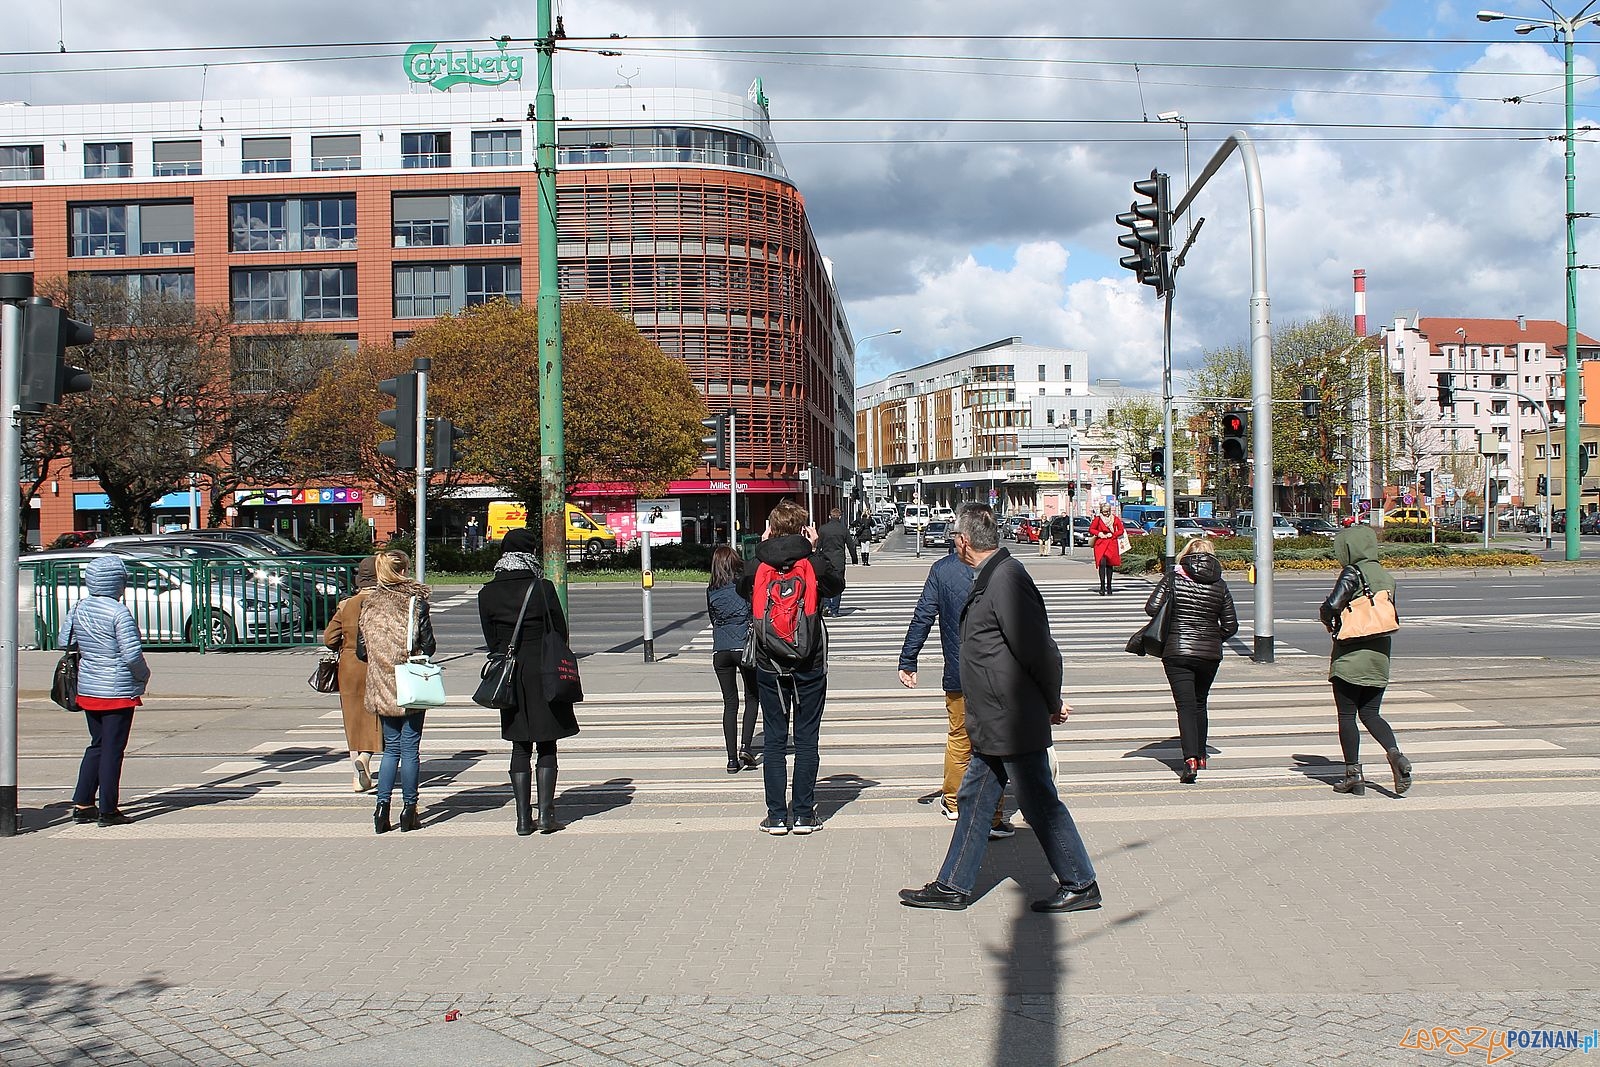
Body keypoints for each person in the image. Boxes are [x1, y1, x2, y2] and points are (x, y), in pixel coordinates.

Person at [900, 503, 1101, 914]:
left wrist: (1052, 700)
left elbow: (1040, 649)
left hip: (1012, 716)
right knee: (974, 798)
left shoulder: (1007, 579)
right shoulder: (990, 577)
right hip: (994, 716)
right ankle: (952, 885)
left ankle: (1080, 882)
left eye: (954, 536)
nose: (953, 542)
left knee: (1039, 801)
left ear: (964, 540)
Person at [737, 498, 845, 835]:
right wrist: (812, 550)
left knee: (773, 740)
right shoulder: (811, 563)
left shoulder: (758, 564)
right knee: (807, 739)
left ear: (770, 527)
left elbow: (744, 591)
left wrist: (763, 548)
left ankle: (776, 816)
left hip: (769, 663)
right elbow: (836, 586)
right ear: (803, 528)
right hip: (810, 660)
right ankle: (803, 815)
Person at [897, 548, 1014, 839]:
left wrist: (908, 659)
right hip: (997, 675)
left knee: (960, 738)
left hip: (958, 673)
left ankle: (953, 802)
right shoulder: (1005, 567)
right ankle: (993, 816)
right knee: (995, 742)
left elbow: (923, 614)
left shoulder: (941, 569)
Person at [478, 527, 580, 835]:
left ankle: (523, 819)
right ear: (530, 554)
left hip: (510, 677)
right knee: (547, 743)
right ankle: (547, 816)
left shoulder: (487, 592)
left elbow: (491, 640)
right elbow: (560, 630)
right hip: (545, 673)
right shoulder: (542, 587)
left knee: (519, 744)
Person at [1319, 525, 1412, 796]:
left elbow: (1332, 606)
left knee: (1347, 716)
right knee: (1371, 713)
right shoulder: (1385, 575)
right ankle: (1395, 755)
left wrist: (1328, 621)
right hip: (1380, 653)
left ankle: (1353, 776)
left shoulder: (1352, 572)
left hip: (1351, 654)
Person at [64, 555, 151, 827]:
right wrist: (144, 676)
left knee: (98, 745)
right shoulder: (118, 611)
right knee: (114, 749)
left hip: (89, 687)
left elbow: (63, 640)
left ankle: (83, 802)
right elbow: (132, 654)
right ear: (118, 581)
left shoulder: (79, 607)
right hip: (117, 690)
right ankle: (109, 809)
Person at [1143, 538, 1238, 784]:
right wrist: (1212, 638)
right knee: (1200, 703)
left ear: (1186, 555)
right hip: (1209, 654)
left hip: (1177, 651)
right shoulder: (1219, 584)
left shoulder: (1173, 579)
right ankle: (1202, 754)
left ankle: (1189, 761)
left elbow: (1151, 608)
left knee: (1185, 706)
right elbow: (1231, 625)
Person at [358, 550, 435, 834]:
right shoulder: (414, 603)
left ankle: (381, 808)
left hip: (381, 683)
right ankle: (409, 809)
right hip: (410, 681)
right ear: (403, 571)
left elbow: (361, 650)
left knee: (390, 749)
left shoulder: (370, 603)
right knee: (410, 748)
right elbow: (429, 646)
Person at [322, 556, 381, 793]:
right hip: (376, 664)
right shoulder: (382, 602)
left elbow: (329, 638)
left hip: (349, 667)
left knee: (353, 718)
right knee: (377, 717)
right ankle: (366, 758)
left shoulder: (347, 604)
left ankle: (357, 777)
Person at [707, 545, 758, 774]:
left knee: (729, 703)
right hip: (743, 647)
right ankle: (746, 746)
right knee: (752, 696)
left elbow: (713, 617)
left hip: (721, 651)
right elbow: (753, 611)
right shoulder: (743, 584)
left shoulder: (711, 589)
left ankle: (730, 760)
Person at [816, 506, 856, 616]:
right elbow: (851, 545)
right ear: (840, 517)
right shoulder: (843, 529)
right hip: (839, 560)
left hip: (825, 560)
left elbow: (819, 545)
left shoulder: (823, 529)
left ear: (830, 516)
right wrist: (854, 558)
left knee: (825, 583)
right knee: (838, 584)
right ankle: (835, 610)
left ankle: (827, 605)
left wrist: (816, 557)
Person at [1090, 502, 1126, 595]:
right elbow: (1091, 529)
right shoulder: (1098, 519)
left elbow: (1121, 530)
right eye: (1103, 512)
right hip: (1100, 543)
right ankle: (1102, 586)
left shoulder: (1115, 519)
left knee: (1110, 565)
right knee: (1101, 563)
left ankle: (1109, 586)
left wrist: (1113, 534)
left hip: (1111, 543)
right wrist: (1099, 533)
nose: (1105, 513)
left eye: (1107, 511)